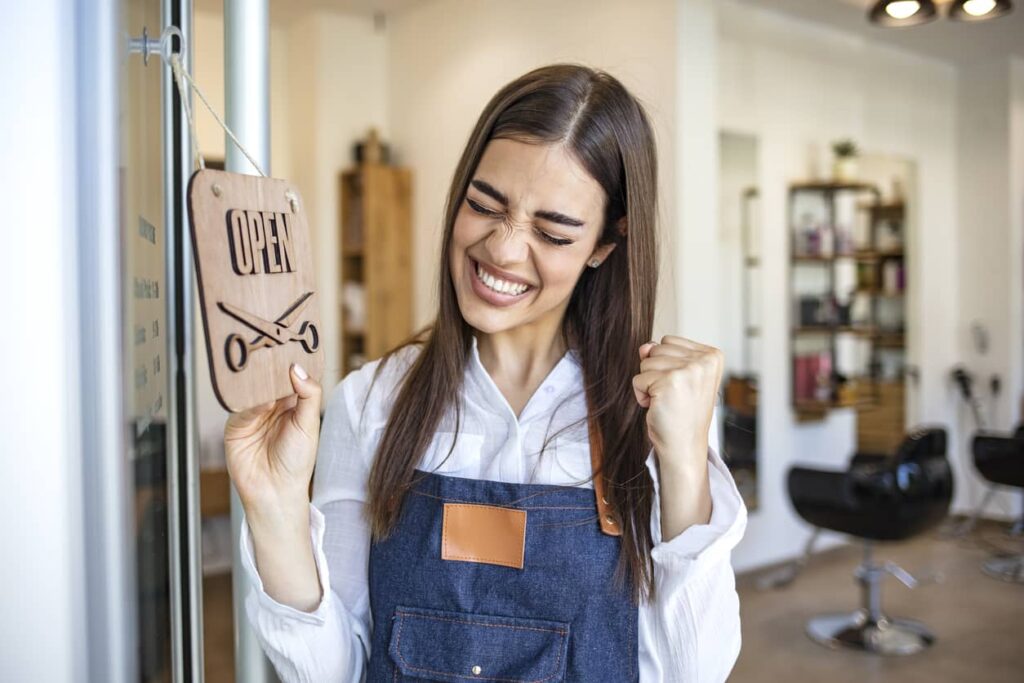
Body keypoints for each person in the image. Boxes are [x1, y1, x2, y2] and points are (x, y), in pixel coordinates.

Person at [226, 63, 747, 682]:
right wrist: (276, 507)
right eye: (483, 204)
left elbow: (696, 673)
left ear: (606, 244)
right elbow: (333, 670)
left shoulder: (658, 417)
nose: (502, 249)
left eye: (553, 233)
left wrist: (684, 459)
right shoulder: (371, 403)